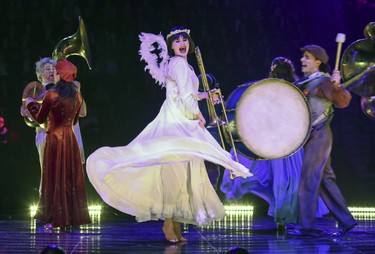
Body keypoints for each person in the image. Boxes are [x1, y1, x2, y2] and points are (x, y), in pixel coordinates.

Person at [86, 26, 251, 242]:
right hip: (178, 122)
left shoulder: (181, 65)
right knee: (176, 175)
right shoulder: (180, 64)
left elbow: (186, 93)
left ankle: (175, 226)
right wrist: (198, 115)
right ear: (171, 46)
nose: (181, 42)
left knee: (181, 172)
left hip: (179, 119)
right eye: (176, 40)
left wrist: (206, 95)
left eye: (184, 39)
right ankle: (168, 225)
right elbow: (185, 96)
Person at [220, 56, 329, 231]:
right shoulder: (282, 89)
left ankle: (283, 218)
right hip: (281, 141)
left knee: (282, 180)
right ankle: (283, 218)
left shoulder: (287, 89)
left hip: (284, 141)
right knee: (284, 181)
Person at [287, 44, 356, 237]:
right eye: (304, 57)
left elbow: (342, 101)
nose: (303, 60)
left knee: (309, 179)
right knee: (325, 179)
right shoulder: (306, 82)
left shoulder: (323, 82)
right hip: (313, 136)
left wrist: (337, 85)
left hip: (320, 135)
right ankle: (346, 220)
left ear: (318, 62)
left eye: (307, 57)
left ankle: (307, 226)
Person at [26, 59, 91, 229]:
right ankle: (71, 217)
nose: (52, 74)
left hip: (54, 138)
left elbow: (40, 118)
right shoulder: (77, 95)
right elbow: (76, 118)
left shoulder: (52, 95)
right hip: (70, 137)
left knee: (54, 177)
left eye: (55, 71)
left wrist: (31, 105)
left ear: (60, 75)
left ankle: (55, 217)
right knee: (70, 177)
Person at [21, 57, 87, 196]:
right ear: (40, 75)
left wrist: (77, 91)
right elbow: (32, 115)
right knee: (48, 172)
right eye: (47, 68)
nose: (51, 70)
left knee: (69, 172)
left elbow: (81, 114)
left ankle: (68, 204)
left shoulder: (68, 90)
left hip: (68, 133)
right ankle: (47, 206)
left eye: (53, 68)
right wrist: (27, 109)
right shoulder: (36, 92)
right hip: (46, 134)